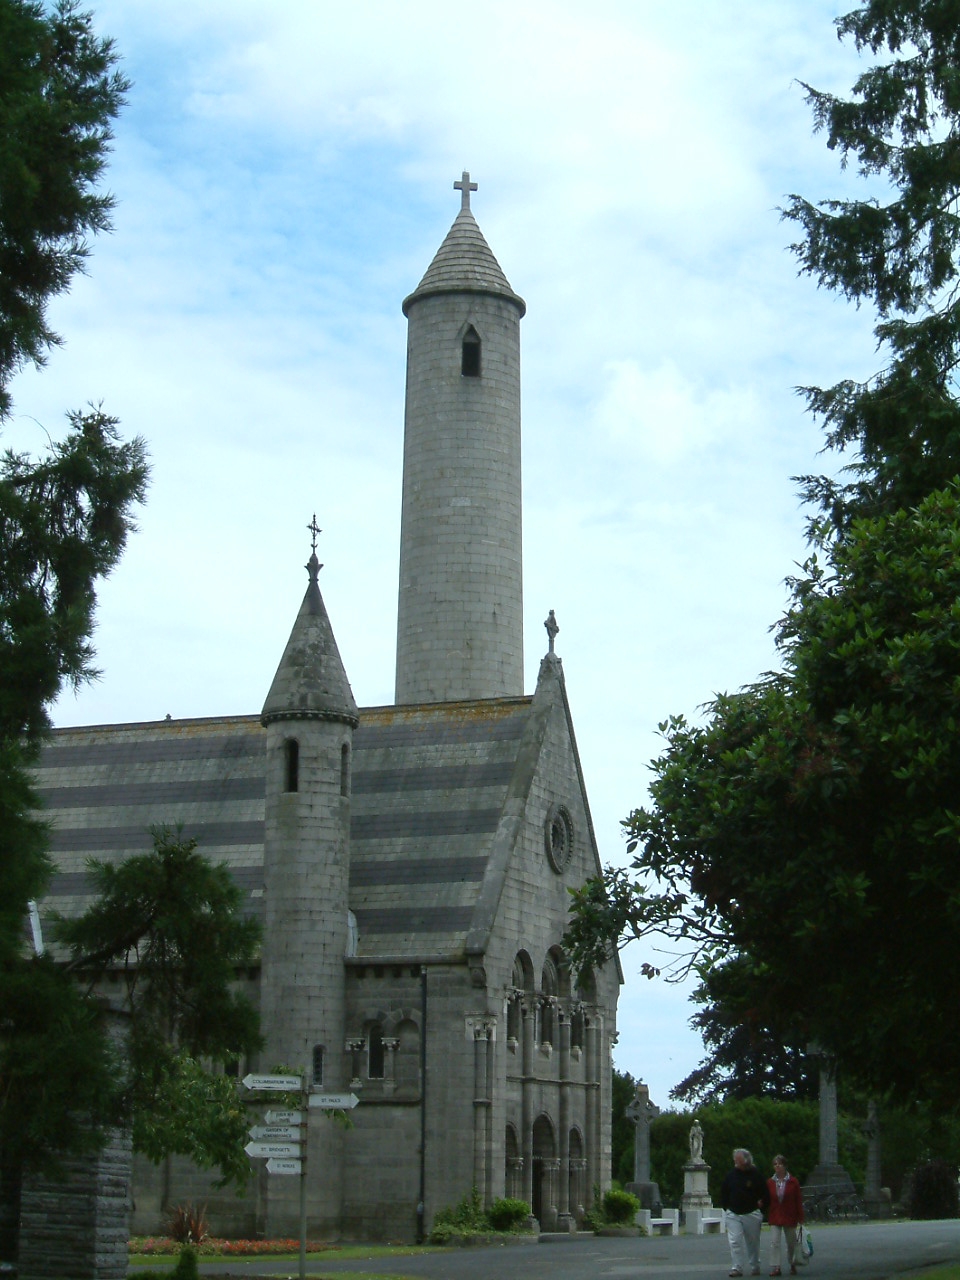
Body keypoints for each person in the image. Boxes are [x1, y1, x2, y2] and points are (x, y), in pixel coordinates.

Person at [720, 1148, 770, 1277]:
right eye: (735, 1160)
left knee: (752, 1242)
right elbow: (724, 1192)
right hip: (733, 1213)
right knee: (734, 1240)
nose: (735, 1162)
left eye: (738, 1160)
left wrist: (761, 1209)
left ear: (746, 1161)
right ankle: (737, 1267)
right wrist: (727, 1208)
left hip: (751, 1213)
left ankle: (755, 1265)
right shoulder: (731, 1175)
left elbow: (765, 1194)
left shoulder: (756, 1175)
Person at [767, 1154, 804, 1276]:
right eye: (775, 1164)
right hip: (775, 1215)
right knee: (774, 1242)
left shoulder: (793, 1182)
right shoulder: (770, 1182)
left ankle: (792, 1263)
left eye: (779, 1164)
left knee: (791, 1242)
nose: (777, 1166)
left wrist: (801, 1217)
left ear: (784, 1166)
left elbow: (798, 1200)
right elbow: (767, 1198)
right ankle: (776, 1266)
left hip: (790, 1215)